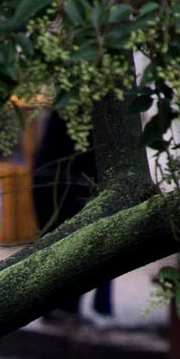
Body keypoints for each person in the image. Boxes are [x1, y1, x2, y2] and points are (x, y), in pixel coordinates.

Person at [31, 112, 114, 321]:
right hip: (72, 184)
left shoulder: (69, 105)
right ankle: (65, 309)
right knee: (76, 249)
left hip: (49, 181)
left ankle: (55, 309)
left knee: (55, 248)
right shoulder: (96, 110)